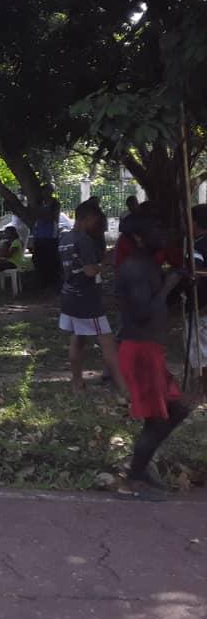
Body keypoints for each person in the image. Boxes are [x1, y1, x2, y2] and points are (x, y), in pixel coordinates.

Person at [115, 214, 191, 499]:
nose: (163, 233)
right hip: (139, 351)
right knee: (158, 419)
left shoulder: (150, 265)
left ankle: (141, 466)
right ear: (138, 238)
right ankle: (135, 476)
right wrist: (170, 283)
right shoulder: (134, 268)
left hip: (150, 349)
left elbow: (159, 303)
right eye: (155, 227)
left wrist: (179, 285)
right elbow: (143, 313)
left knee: (178, 409)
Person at [58, 201, 120, 392]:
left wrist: (99, 260)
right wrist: (107, 264)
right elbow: (90, 271)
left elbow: (76, 266)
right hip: (86, 298)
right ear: (89, 218)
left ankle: (77, 382)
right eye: (96, 219)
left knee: (78, 339)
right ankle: (125, 389)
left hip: (69, 295)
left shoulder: (65, 237)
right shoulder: (84, 240)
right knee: (108, 342)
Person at [190, 204, 207, 399]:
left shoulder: (199, 246)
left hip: (201, 307)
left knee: (202, 355)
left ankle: (202, 392)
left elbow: (196, 272)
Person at [33, 184, 62, 289]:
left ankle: (53, 281)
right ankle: (42, 281)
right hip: (39, 234)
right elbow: (36, 215)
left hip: (50, 235)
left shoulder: (55, 203)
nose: (46, 193)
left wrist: (43, 214)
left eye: (49, 191)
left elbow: (52, 217)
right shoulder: (39, 203)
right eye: (44, 191)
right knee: (39, 259)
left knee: (51, 258)